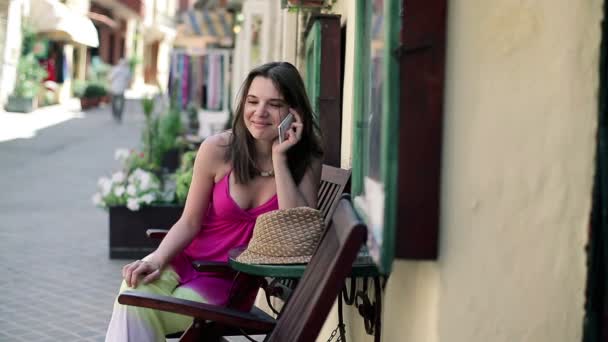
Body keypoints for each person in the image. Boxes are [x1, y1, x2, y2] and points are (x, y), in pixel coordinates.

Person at [105, 61, 324, 341]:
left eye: (275, 104)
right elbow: (190, 221)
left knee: (136, 308)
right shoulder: (218, 149)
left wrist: (279, 158)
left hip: (227, 283)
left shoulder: (306, 159)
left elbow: (296, 229)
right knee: (132, 289)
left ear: (294, 112)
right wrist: (156, 259)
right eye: (252, 101)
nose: (260, 112)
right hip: (182, 263)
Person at [108, 58, 132, 122]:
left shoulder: (116, 69)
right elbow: (129, 80)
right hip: (121, 89)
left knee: (114, 102)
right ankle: (119, 115)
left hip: (114, 88)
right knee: (121, 103)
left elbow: (110, 79)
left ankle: (116, 114)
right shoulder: (127, 70)